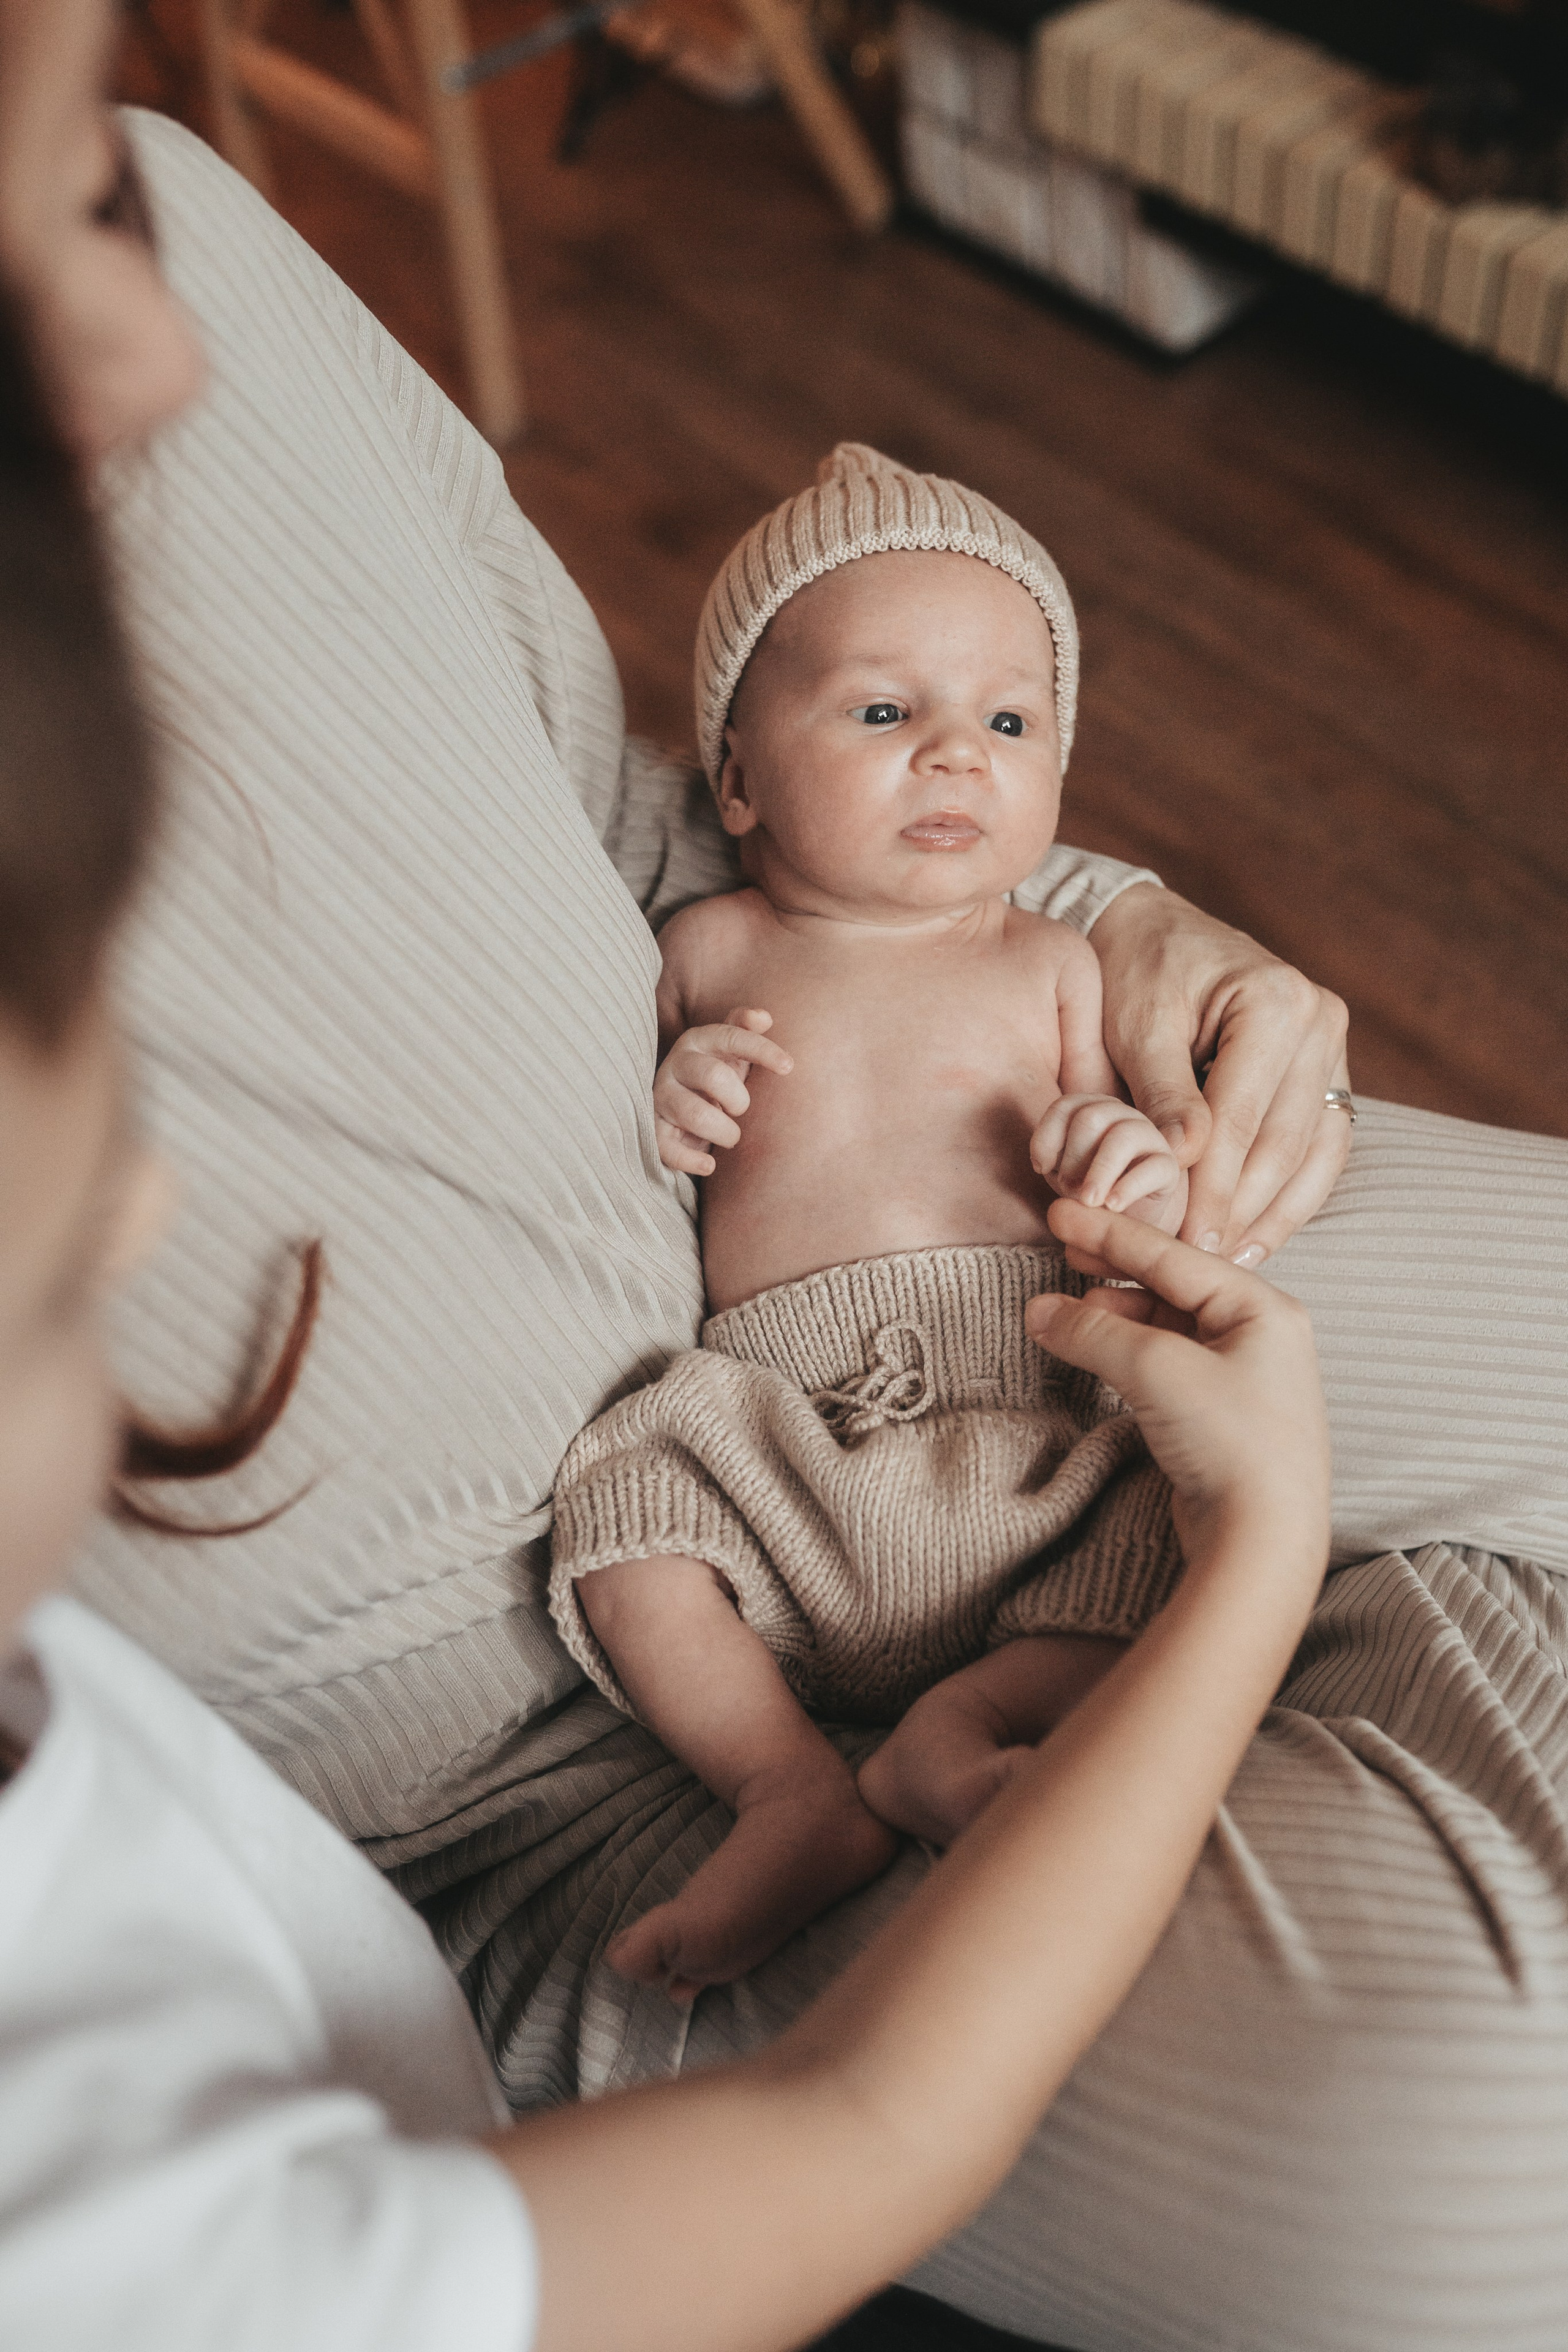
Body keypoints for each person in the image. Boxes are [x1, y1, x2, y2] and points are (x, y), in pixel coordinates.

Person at [10, 1, 1568, 2341]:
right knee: (1483, 2147)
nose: (157, 351)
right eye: (41, 209)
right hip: (536, 1731)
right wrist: (1262, 1558)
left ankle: (1299, 1670)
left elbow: (641, 817)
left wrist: (1120, 926)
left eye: (95, 181)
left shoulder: (185, 239)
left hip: (1026, 1282)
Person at [549, 450, 1204, 1997]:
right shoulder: (703, 949)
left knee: (1164, 1531)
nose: (956, 759)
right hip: (780, 1437)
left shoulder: (1052, 967)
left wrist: (1123, 1156)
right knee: (620, 1516)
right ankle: (786, 1791)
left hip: (1025, 1417)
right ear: (736, 782)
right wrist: (671, 1098)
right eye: (882, 713)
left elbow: (1148, 1182)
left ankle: (951, 1741)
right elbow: (616, 1142)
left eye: (1006, 720)